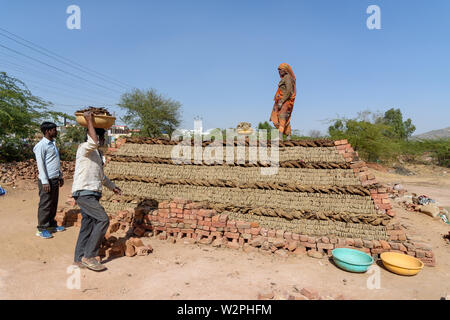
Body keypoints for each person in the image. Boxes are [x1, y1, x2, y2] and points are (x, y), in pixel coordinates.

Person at [72, 111, 122, 271]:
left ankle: (79, 259)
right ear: (92, 135)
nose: (102, 140)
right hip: (83, 192)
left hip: (92, 193)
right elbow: (92, 141)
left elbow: (101, 176)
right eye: (101, 137)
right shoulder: (84, 148)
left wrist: (112, 187)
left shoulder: (98, 154)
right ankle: (89, 256)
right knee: (103, 220)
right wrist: (89, 121)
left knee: (87, 224)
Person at [33, 122, 65, 239]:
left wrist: (60, 176)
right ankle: (41, 229)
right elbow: (40, 165)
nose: (56, 131)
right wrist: (44, 181)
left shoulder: (53, 144)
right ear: (47, 131)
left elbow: (55, 162)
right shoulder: (41, 145)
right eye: (54, 129)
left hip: (54, 178)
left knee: (53, 203)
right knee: (45, 204)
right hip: (46, 180)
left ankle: (51, 225)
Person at [270, 63, 297, 140]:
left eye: (281, 70)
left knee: (282, 117)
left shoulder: (287, 78)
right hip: (281, 100)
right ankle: (288, 135)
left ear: (285, 70)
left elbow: (289, 91)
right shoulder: (285, 78)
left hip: (285, 101)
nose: (279, 71)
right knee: (281, 117)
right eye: (278, 70)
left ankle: (280, 136)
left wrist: (282, 101)